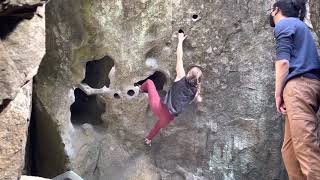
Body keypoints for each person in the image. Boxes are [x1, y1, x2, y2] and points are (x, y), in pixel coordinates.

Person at [269, 0, 320, 179]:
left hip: (299, 87)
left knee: (305, 149)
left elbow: (283, 62)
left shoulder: (284, 24)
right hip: (306, 87)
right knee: (290, 152)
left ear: (276, 10)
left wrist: (278, 94)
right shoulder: (300, 28)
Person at [139, 31, 203, 146]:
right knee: (158, 126)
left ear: (188, 73)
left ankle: (140, 90)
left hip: (159, 107)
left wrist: (180, 40)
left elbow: (179, 57)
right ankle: (148, 139)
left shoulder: (181, 77)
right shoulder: (195, 92)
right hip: (168, 119)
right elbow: (198, 98)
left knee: (149, 82)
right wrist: (198, 93)